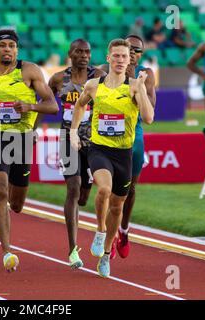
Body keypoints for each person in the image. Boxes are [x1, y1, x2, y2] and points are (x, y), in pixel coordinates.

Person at [0, 29, 58, 272]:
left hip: (22, 139)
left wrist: (30, 105)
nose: (7, 49)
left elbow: (52, 105)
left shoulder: (30, 71)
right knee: (1, 188)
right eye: (2, 45)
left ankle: (4, 207)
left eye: (11, 46)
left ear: (17, 50)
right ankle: (7, 251)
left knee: (16, 204)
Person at [70, 39, 154, 277]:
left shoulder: (134, 87)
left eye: (124, 57)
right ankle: (99, 231)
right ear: (108, 58)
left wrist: (141, 90)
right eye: (115, 56)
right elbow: (79, 106)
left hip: (123, 153)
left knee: (117, 206)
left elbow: (148, 118)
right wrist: (74, 131)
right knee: (104, 189)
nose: (119, 60)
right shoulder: (94, 85)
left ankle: (106, 254)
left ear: (130, 61)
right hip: (99, 149)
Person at [48, 39, 106, 269]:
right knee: (73, 187)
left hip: (95, 140)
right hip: (67, 138)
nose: (84, 55)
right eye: (79, 52)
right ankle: (72, 249)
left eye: (88, 52)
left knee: (83, 196)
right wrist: (32, 128)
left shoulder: (99, 76)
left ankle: (86, 197)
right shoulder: (58, 79)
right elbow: (45, 100)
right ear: (70, 54)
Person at [99, 34, 156, 259]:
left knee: (129, 189)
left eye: (137, 50)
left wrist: (136, 85)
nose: (132, 53)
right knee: (106, 189)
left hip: (134, 132)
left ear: (141, 54)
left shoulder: (146, 74)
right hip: (105, 134)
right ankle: (107, 235)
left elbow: (150, 110)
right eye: (128, 48)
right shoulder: (104, 69)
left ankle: (123, 230)